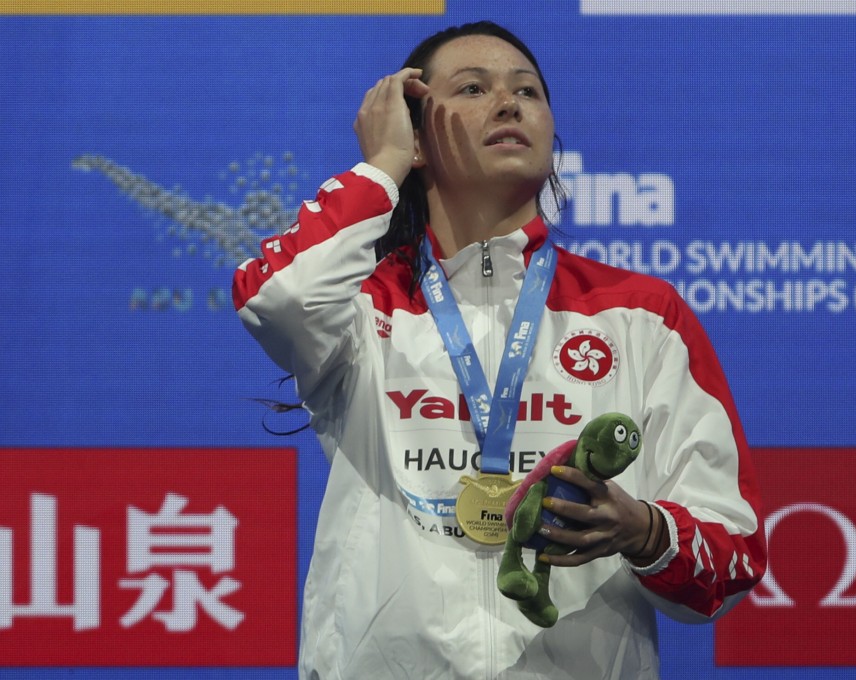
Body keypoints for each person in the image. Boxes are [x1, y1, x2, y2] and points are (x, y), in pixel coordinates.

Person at [232, 20, 766, 680]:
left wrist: (644, 531)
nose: (509, 103)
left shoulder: (640, 313)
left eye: (529, 92)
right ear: (417, 133)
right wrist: (380, 167)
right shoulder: (363, 306)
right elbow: (277, 298)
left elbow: (733, 558)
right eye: (473, 88)